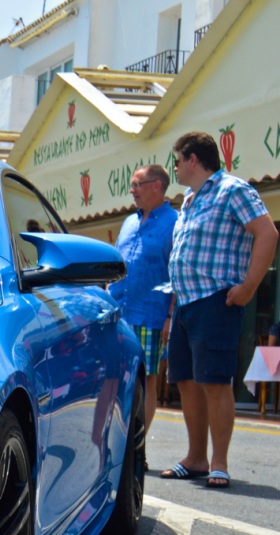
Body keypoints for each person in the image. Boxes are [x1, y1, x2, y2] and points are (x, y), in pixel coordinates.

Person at [160, 131, 279, 489]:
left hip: (215, 298)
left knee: (214, 382)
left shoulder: (233, 189)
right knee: (185, 381)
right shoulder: (190, 198)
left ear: (193, 159)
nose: (176, 167)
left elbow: (268, 233)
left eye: (177, 160)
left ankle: (219, 463)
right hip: (185, 301)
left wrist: (248, 287)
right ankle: (195, 457)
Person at [109, 164, 177, 428]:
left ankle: (138, 447)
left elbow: (177, 273)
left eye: (137, 184)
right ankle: (118, 440)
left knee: (147, 379)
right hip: (118, 313)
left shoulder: (175, 222)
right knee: (116, 377)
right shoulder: (129, 221)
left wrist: (170, 316)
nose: (131, 190)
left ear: (157, 185)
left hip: (151, 315)